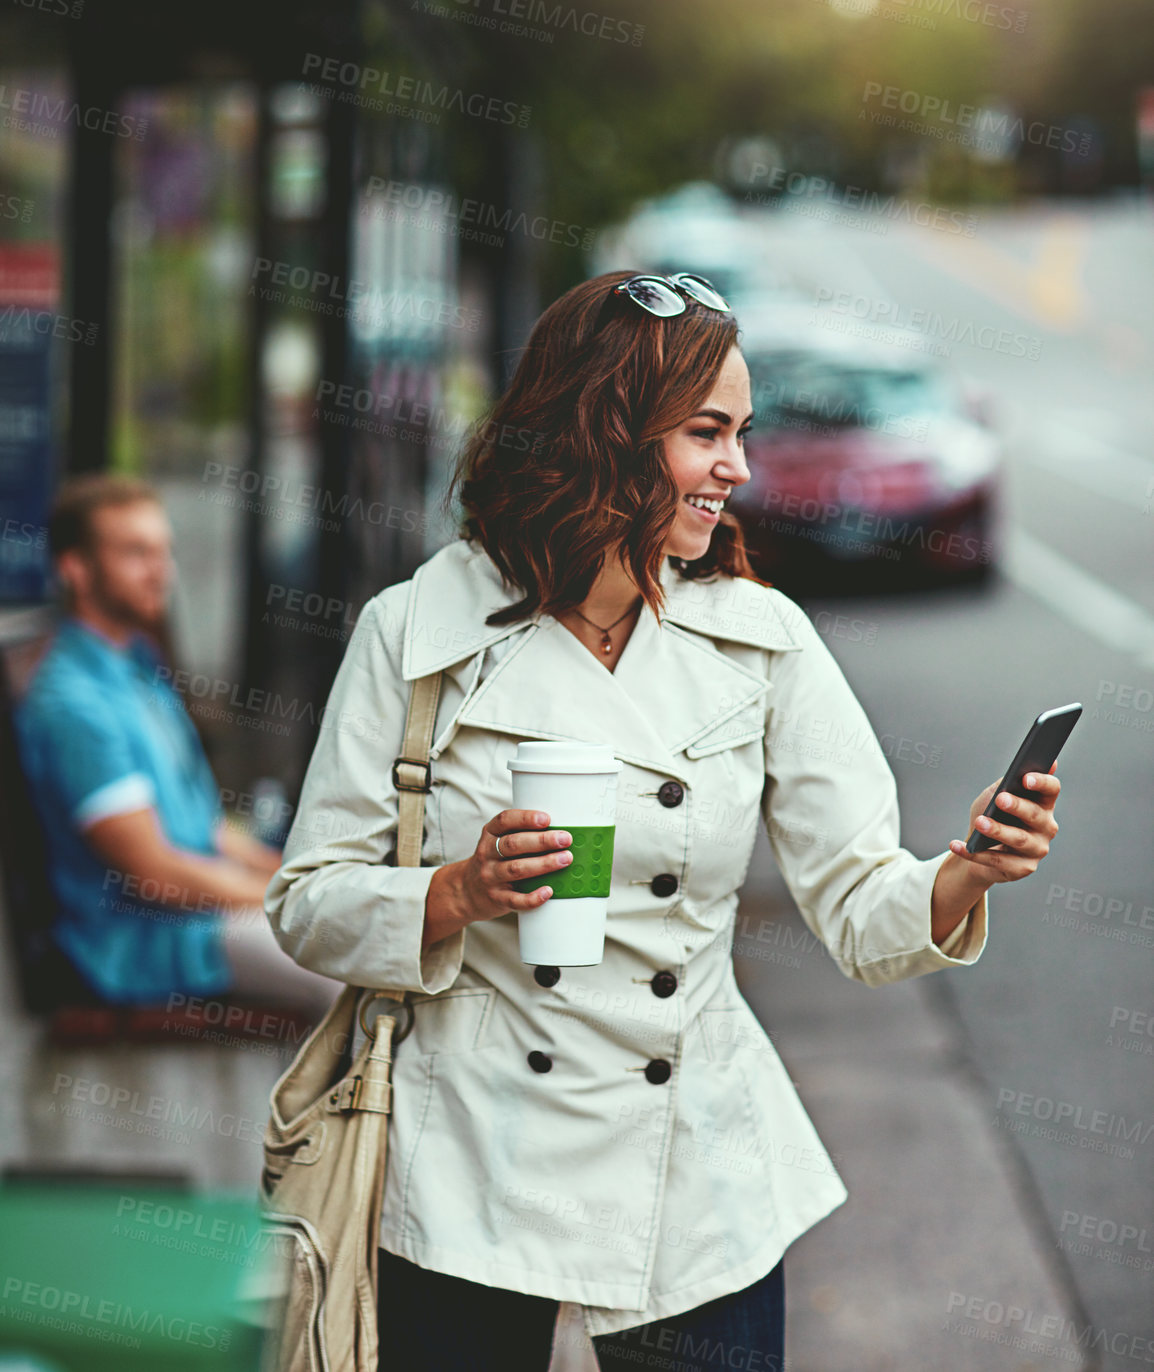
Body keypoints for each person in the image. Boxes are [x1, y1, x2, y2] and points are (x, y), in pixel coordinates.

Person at [265, 271, 1061, 1372]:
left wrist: (966, 872)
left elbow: (860, 899)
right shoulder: (414, 632)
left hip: (693, 1166)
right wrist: (457, 891)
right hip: (465, 1166)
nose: (738, 466)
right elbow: (307, 905)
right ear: (605, 429)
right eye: (706, 433)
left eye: (741, 432)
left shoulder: (758, 640)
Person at [15, 473, 333, 1017]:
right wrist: (288, 898)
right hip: (147, 947)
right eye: (136, 553)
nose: (162, 570)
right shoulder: (73, 701)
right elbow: (154, 874)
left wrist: (302, 874)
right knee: (350, 974)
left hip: (205, 917)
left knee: (375, 950)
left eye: (164, 551)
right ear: (76, 568)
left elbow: (208, 832)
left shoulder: (140, 671)